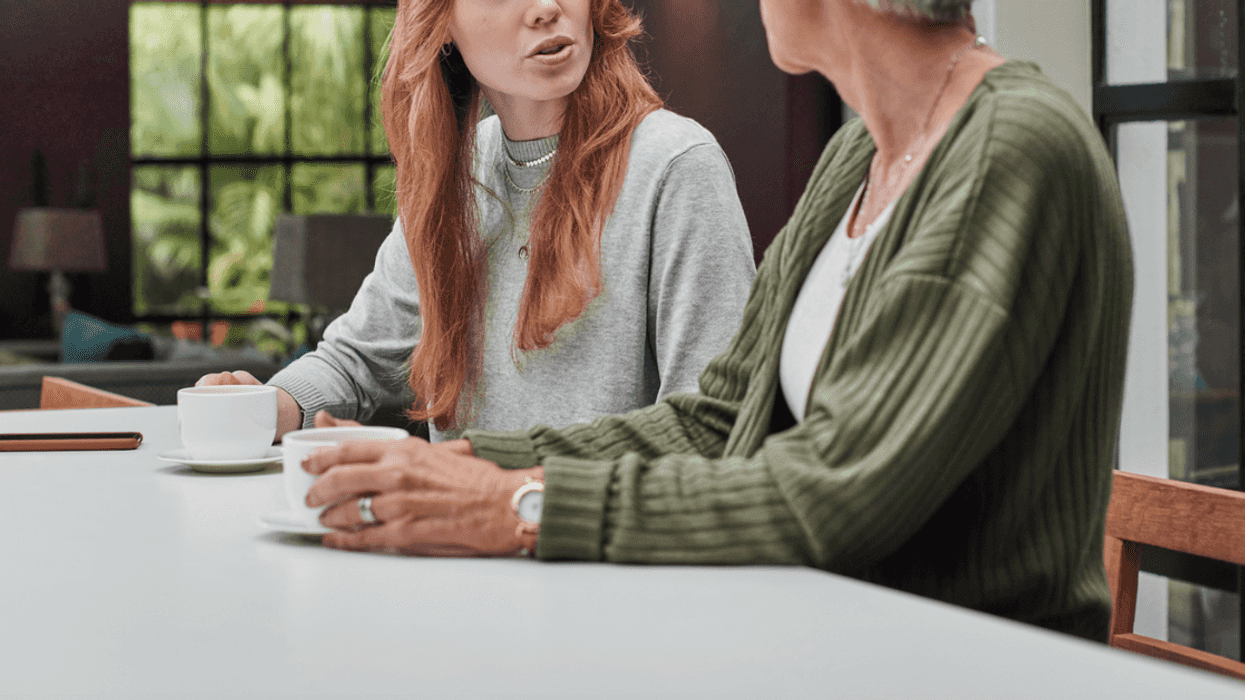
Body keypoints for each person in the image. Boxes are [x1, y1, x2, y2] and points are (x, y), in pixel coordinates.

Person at [300, 0, 1134, 642]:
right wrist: (469, 465)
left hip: (952, 663)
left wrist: (516, 504)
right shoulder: (863, 154)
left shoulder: (1011, 153)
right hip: (819, 636)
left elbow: (834, 491)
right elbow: (720, 417)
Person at [197, 0, 756, 442]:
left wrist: (494, 486)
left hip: (602, 564)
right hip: (465, 561)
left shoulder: (677, 165)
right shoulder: (457, 173)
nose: (545, 7)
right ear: (440, 22)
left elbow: (711, 426)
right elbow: (357, 359)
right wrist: (272, 404)